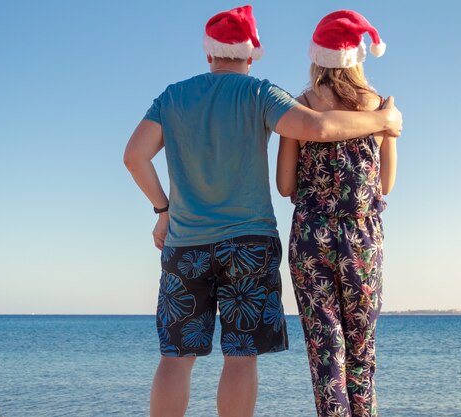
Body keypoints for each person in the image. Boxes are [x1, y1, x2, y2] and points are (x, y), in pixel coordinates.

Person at [123, 5, 402, 417]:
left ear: (208, 54)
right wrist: (383, 119)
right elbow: (319, 129)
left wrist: (162, 210)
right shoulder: (260, 94)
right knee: (240, 358)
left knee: (175, 358)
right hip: (249, 246)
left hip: (185, 245)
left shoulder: (172, 96)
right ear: (251, 54)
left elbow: (134, 157)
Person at [276, 10, 399, 417]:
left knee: (326, 355)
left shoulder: (300, 107)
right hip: (363, 241)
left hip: (311, 239)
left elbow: (285, 186)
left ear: (317, 58)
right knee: (362, 356)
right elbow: (385, 185)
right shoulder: (381, 108)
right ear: (357, 58)